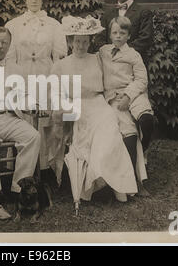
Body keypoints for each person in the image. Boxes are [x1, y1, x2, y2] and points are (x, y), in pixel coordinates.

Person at [51, 15, 141, 213]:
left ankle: (115, 182)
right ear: (70, 42)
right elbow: (56, 93)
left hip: (98, 103)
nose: (81, 45)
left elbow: (117, 76)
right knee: (84, 135)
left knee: (109, 130)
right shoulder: (61, 65)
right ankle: (99, 179)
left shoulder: (97, 59)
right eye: (77, 41)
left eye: (85, 41)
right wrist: (65, 111)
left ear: (90, 42)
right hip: (76, 107)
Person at [5, 0, 67, 187]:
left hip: (45, 75)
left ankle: (45, 169)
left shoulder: (53, 25)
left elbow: (59, 55)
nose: (33, 1)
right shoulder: (13, 25)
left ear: (43, 1)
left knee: (45, 122)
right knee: (25, 120)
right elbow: (9, 57)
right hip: (22, 75)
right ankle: (25, 172)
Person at [0, 26, 41, 220]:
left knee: (33, 136)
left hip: (8, 117)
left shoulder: (16, 68)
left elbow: (24, 95)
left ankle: (17, 187)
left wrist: (34, 105)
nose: (0, 46)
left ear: (10, 45)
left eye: (4, 42)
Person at [99, 0, 155, 153]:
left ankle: (143, 149)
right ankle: (128, 151)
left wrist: (124, 49)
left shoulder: (142, 12)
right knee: (122, 117)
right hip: (112, 70)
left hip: (133, 68)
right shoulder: (108, 14)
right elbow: (101, 40)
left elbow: (145, 39)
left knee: (140, 111)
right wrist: (111, 50)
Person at [99, 16, 152, 196]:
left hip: (131, 93)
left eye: (122, 33)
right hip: (113, 98)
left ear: (129, 35)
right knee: (129, 131)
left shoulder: (133, 54)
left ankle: (143, 151)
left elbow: (142, 79)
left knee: (145, 118)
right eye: (114, 32)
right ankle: (131, 179)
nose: (118, 36)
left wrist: (129, 96)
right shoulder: (103, 51)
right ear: (109, 34)